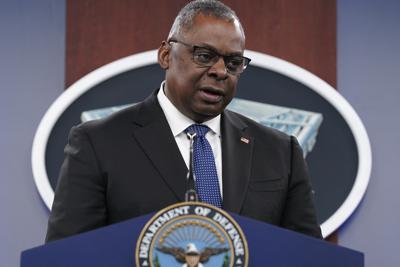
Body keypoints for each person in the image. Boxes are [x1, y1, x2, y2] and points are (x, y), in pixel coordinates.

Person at [46, 0, 322, 242]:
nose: (220, 72)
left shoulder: (280, 152)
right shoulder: (99, 143)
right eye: (204, 56)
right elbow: (65, 256)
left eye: (233, 63)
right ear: (166, 55)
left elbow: (311, 257)